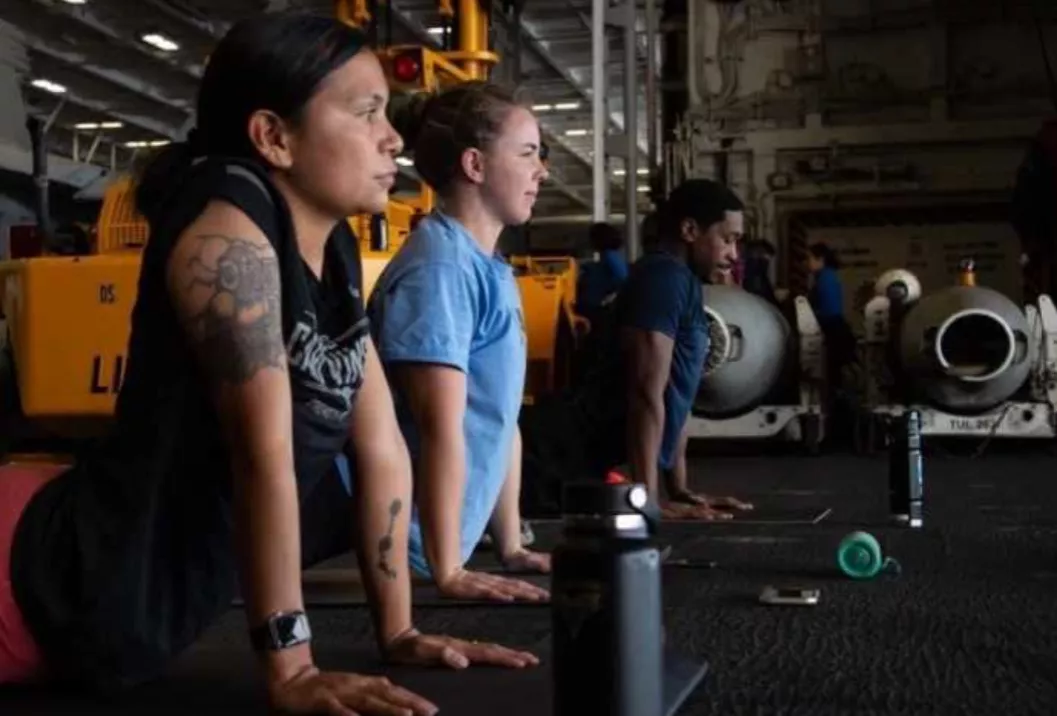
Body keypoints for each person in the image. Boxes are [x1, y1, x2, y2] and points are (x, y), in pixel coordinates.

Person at [0, 14, 537, 716]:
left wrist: (399, 631)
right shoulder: (226, 228)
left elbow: (381, 448)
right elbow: (263, 453)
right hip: (33, 583)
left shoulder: (333, 249)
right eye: (366, 112)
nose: (393, 138)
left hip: (114, 608)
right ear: (273, 137)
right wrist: (292, 668)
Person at [366, 82, 551, 604]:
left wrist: (510, 545)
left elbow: (499, 416)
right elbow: (439, 428)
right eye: (528, 153)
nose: (542, 171)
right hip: (413, 553)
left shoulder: (488, 266)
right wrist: (447, 570)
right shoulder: (440, 270)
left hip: (450, 547)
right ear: (475, 165)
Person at [520, 179, 754, 520]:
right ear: (690, 230)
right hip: (555, 462)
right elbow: (645, 395)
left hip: (582, 462)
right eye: (728, 239)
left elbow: (680, 395)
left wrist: (680, 490)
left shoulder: (684, 281)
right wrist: (648, 504)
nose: (734, 255)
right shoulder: (663, 279)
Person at [576, 222, 629, 322]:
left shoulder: (610, 256)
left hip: (598, 309)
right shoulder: (606, 257)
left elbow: (622, 278)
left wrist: (607, 299)